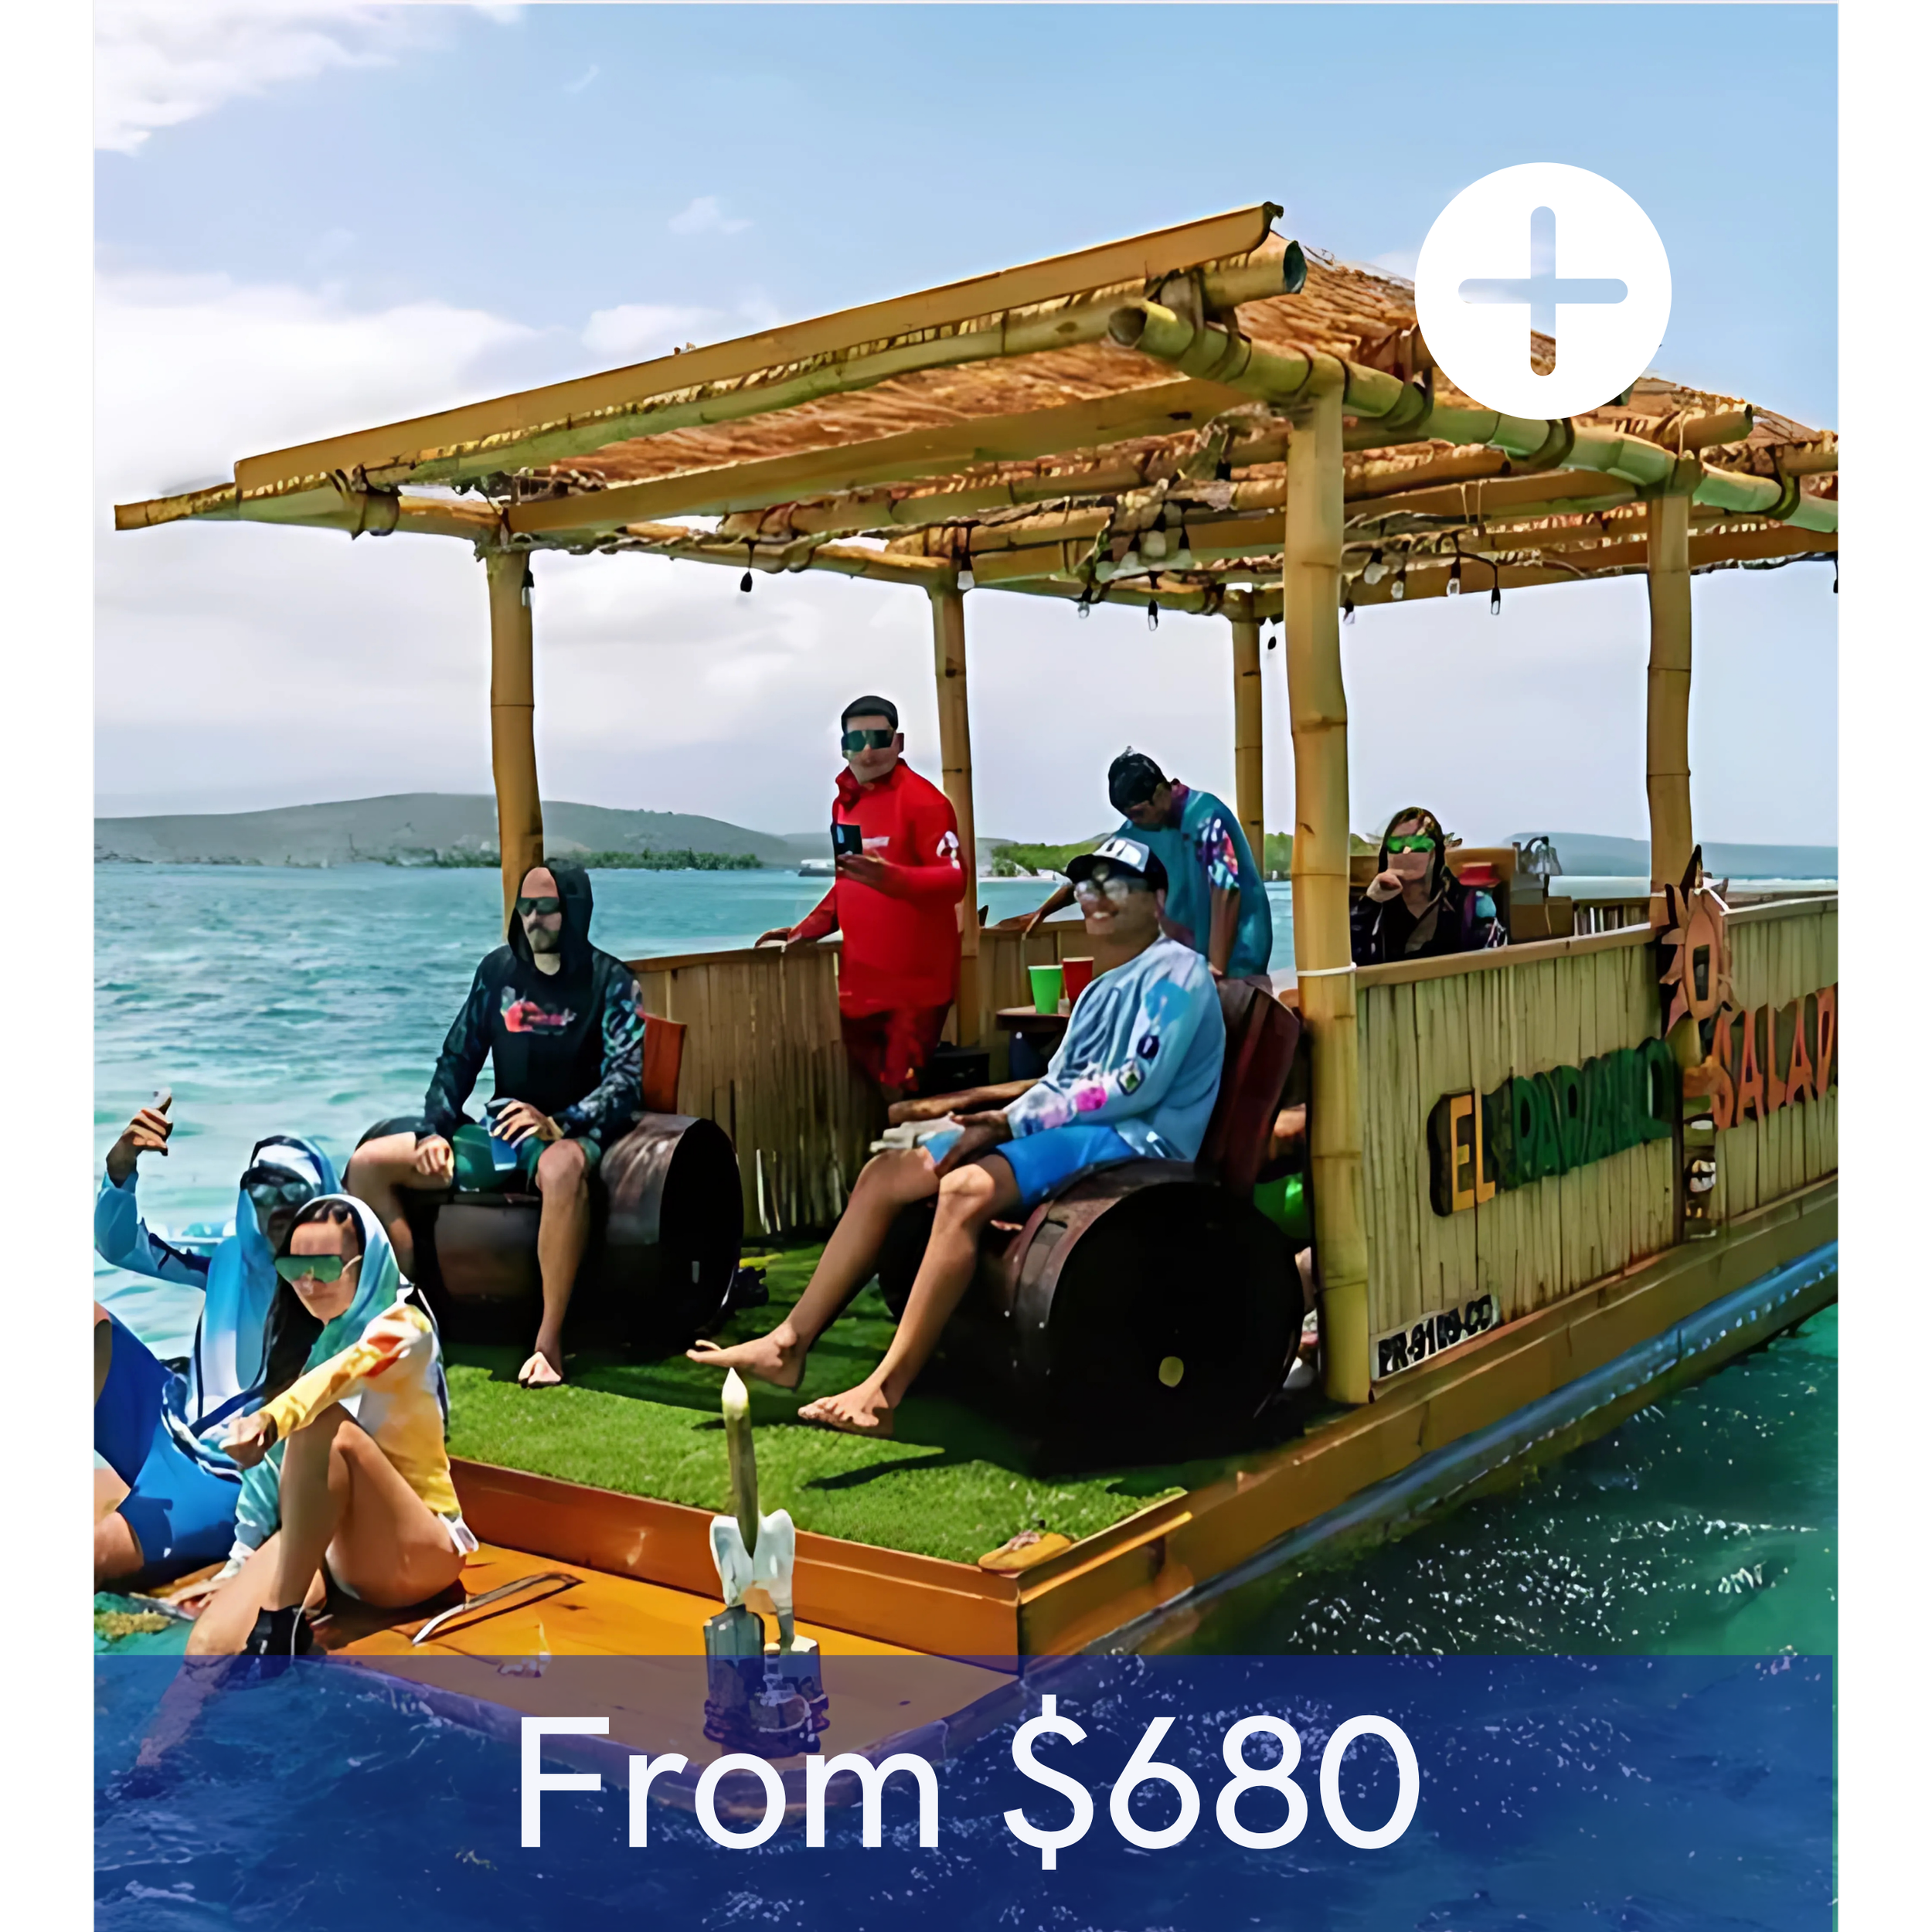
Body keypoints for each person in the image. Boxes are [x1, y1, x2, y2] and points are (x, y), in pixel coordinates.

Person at [693, 834, 1223, 1438]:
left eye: (1117, 885)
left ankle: (884, 1392)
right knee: (889, 1172)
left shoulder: (1177, 973)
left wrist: (1009, 1123)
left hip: (1138, 1146)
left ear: (1157, 898)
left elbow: (1135, 1085)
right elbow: (1059, 1082)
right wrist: (980, 1123)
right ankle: (788, 1344)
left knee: (966, 1189)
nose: (1096, 898)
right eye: (1087, 885)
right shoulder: (1104, 987)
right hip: (1079, 1133)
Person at [346, 860, 645, 1389]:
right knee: (370, 1164)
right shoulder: (496, 973)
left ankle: (549, 1342)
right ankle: (402, 1313)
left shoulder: (612, 982)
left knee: (559, 1170)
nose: (533, 919)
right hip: (499, 1136)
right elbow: (458, 1057)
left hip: (569, 1136)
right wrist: (435, 1130)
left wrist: (559, 1122)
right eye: (525, 907)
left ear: (573, 911)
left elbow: (625, 1079)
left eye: (546, 908)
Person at [184, 1196, 474, 1657]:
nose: (307, 1282)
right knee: (208, 1646)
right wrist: (240, 1558)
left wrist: (271, 1418)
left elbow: (340, 1376)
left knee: (324, 1426)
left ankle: (280, 1624)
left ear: (369, 1261)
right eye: (294, 1266)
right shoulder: (324, 1342)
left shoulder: (404, 1327)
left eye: (325, 1266)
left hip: (419, 1552)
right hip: (341, 1551)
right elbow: (274, 1467)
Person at [94, 1099, 338, 1587]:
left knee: (98, 1556)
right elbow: (120, 1246)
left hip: (221, 1480)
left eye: (291, 1203)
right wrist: (120, 1171)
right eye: (264, 1199)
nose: (276, 1217)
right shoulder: (226, 1251)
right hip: (161, 1419)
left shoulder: (343, 1285)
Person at [756, 696, 964, 1099]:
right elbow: (848, 881)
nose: (867, 750)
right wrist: (805, 931)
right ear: (843, 746)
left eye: (879, 738)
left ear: (899, 742)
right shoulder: (844, 804)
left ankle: (918, 1159)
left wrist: (896, 879)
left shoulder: (926, 802)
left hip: (916, 987)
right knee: (879, 1095)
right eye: (857, 740)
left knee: (902, 1090)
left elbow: (955, 881)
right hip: (860, 986)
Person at [1017, 750, 1272, 983]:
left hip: (1239, 958)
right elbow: (1096, 874)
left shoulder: (1205, 815)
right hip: (1195, 964)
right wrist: (1041, 912)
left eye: (1138, 813)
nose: (1134, 822)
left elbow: (1227, 889)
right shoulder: (1139, 827)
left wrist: (1216, 967)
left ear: (1161, 793)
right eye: (1128, 816)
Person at [1350, 807, 1505, 965]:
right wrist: (1371, 903)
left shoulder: (1473, 905)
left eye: (1418, 844)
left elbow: (1493, 968)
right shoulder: (1369, 908)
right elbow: (1351, 964)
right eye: (1396, 845)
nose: (1406, 852)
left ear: (1435, 853)